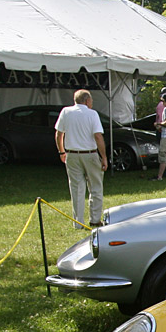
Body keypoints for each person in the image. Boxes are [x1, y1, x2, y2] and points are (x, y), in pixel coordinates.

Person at [54, 89, 107, 228]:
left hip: (71, 153)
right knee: (95, 186)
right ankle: (95, 219)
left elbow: (59, 134)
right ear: (87, 101)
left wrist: (61, 152)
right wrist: (104, 157)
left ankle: (78, 222)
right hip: (89, 153)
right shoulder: (92, 114)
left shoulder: (66, 112)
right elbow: (98, 136)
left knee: (76, 187)